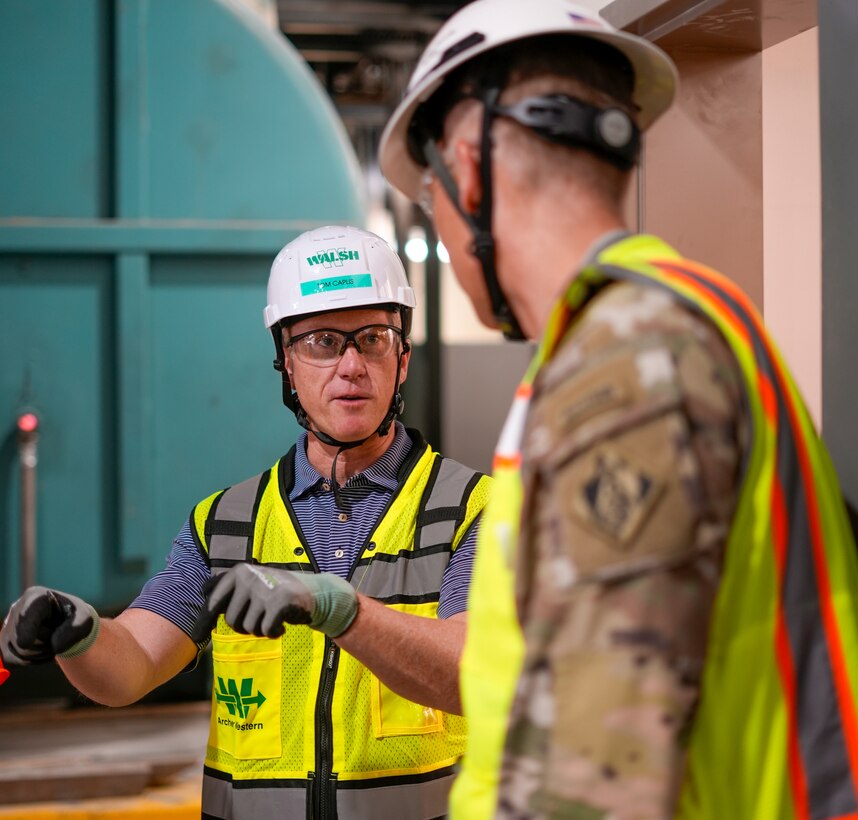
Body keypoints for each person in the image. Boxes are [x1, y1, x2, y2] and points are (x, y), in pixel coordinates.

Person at [378, 1, 858, 818]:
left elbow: (595, 777)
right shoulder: (647, 333)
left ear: (464, 171)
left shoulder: (631, 364)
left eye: (432, 201)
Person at [0, 225, 491, 820]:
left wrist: (341, 609)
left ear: (403, 357)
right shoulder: (225, 525)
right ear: (285, 361)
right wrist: (79, 635)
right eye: (322, 342)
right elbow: (130, 668)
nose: (352, 365)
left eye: (374, 338)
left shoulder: (470, 509)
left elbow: (475, 674)